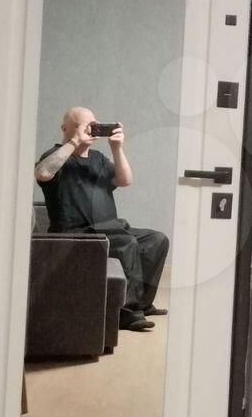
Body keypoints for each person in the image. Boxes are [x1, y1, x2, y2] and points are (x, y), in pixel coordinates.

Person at [34, 106, 169, 332]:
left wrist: (117, 148)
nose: (89, 129)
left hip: (109, 229)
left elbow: (125, 180)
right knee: (125, 242)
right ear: (65, 128)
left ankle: (143, 304)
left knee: (156, 240)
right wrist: (74, 142)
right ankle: (126, 312)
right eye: (81, 125)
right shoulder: (55, 156)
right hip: (76, 234)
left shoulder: (98, 159)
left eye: (93, 124)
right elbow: (42, 173)